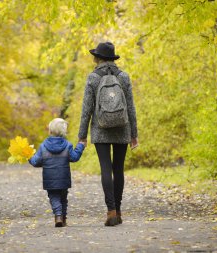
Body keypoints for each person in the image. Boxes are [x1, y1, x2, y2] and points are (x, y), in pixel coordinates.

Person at [78, 41, 139, 226]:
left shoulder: (93, 78)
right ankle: (119, 211)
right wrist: (134, 134)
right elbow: (131, 108)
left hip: (100, 128)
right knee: (118, 169)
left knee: (106, 168)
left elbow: (86, 109)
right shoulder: (124, 76)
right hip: (122, 128)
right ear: (112, 57)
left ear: (98, 57)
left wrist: (82, 135)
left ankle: (111, 211)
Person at [29, 118, 86, 227]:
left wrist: (28, 157)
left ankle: (58, 216)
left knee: (54, 197)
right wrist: (80, 146)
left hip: (49, 179)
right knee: (63, 198)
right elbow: (74, 158)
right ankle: (63, 218)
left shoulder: (43, 146)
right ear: (64, 132)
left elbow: (36, 162)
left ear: (50, 131)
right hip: (64, 178)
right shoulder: (67, 145)